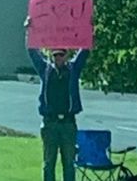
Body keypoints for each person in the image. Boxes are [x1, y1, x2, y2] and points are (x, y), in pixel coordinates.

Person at [25, 18, 89, 181]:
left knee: (69, 163)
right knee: (48, 163)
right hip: (50, 123)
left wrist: (88, 28)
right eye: (55, 55)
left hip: (68, 124)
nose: (58, 57)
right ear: (51, 56)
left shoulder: (73, 69)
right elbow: (33, 52)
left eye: (61, 54)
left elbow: (85, 50)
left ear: (66, 55)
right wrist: (29, 30)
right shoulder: (45, 70)